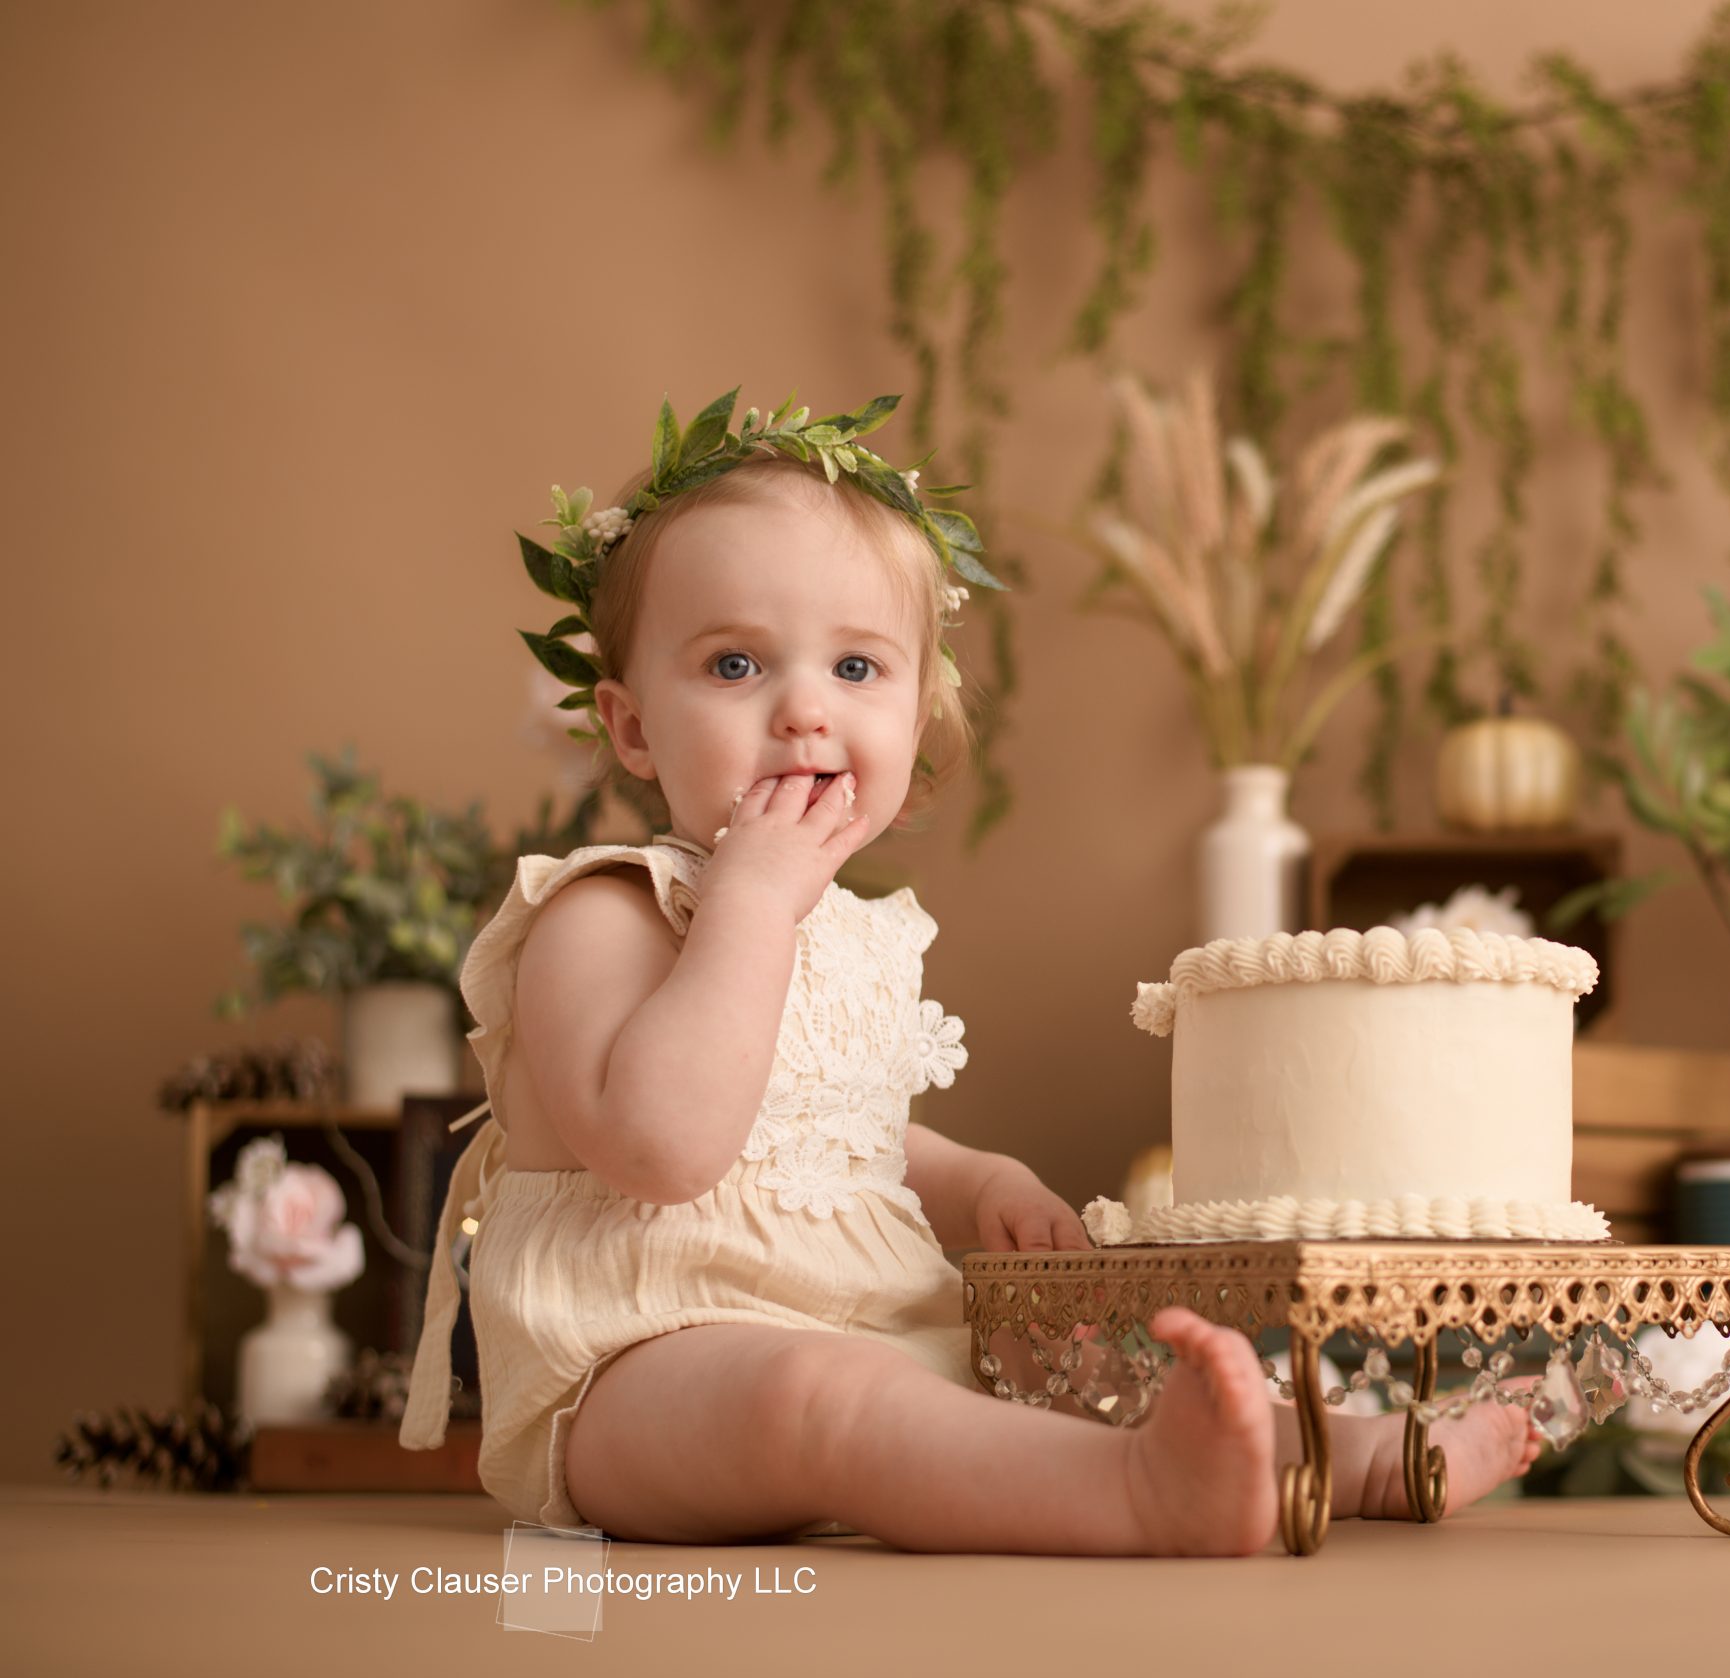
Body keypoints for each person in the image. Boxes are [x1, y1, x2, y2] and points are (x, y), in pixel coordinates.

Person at [400, 389, 1536, 1552]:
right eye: (736, 664)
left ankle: (1348, 1456)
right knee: (823, 1403)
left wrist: (975, 1179)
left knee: (1077, 1358)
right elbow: (669, 1147)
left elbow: (834, 1136)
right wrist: (747, 901)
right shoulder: (601, 911)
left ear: (917, 706)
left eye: (856, 668)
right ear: (632, 728)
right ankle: (1139, 1499)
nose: (804, 711)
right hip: (639, 1372)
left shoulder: (846, 930)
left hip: (874, 1323)